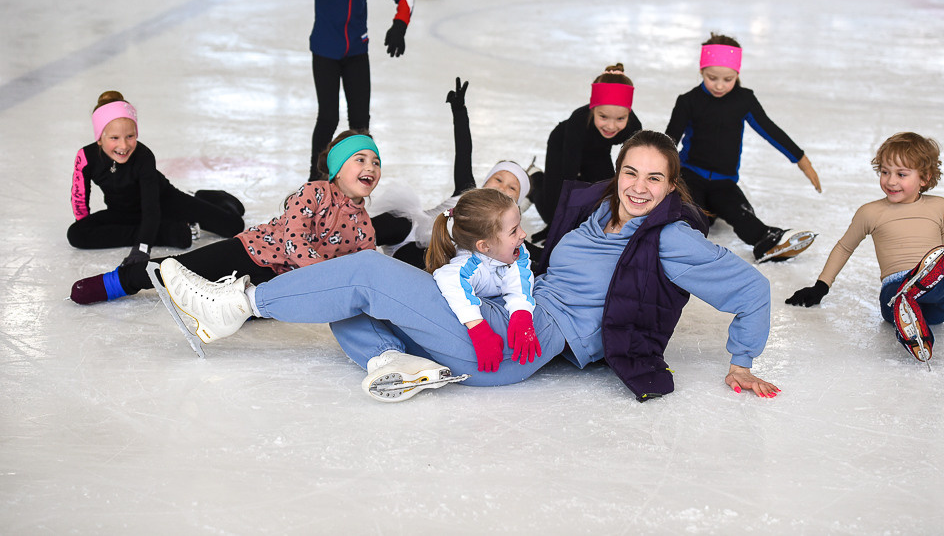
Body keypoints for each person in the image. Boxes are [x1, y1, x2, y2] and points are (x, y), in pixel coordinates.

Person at [156, 130, 780, 404]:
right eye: (630, 173)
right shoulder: (599, 215)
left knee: (370, 274)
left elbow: (752, 290)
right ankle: (392, 362)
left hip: (517, 345)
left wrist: (742, 361)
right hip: (503, 312)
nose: (639, 188)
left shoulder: (669, 239)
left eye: (654, 178)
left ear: (671, 185)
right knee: (352, 301)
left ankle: (230, 306)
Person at [70, 131, 380, 305]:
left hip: (279, 282)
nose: (371, 166)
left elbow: (368, 268)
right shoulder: (313, 193)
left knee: (229, 306)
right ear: (338, 167)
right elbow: (293, 239)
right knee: (180, 271)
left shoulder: (365, 227)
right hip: (251, 251)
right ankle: (121, 281)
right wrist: (326, 276)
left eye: (376, 162)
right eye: (361, 159)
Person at [786, 132, 944, 364]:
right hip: (893, 287)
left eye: (901, 174)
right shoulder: (871, 212)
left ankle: (913, 298)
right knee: (893, 298)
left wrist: (937, 273)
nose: (890, 181)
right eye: (885, 172)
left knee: (943, 282)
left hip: (935, 289)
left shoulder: (940, 206)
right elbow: (845, 247)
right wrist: (821, 286)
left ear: (924, 178)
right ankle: (911, 318)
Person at [665, 33, 820, 263]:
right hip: (690, 176)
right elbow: (669, 141)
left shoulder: (743, 100)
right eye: (712, 77)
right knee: (690, 215)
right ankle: (683, 239)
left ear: (737, 74)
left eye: (727, 79)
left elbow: (770, 130)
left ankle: (767, 241)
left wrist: (801, 160)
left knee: (741, 213)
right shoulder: (688, 101)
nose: (719, 85)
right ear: (701, 71)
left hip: (724, 182)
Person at [295, 0, 412, 181]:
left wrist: (399, 25)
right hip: (325, 51)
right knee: (328, 118)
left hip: (357, 52)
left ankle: (360, 177)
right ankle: (316, 180)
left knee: (360, 121)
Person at [368, 77, 532, 269]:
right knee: (396, 221)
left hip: (427, 254)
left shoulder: (506, 231)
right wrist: (459, 112)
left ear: (518, 203)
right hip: (410, 227)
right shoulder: (467, 191)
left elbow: (530, 251)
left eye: (512, 187)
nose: (503, 188)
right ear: (485, 183)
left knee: (438, 262)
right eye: (498, 179)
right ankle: (339, 240)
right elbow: (463, 151)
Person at [68, 91, 245, 265]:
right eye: (114, 138)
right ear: (99, 138)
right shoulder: (86, 157)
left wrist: (142, 247)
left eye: (130, 136)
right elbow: (79, 197)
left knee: (233, 227)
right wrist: (87, 227)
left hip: (165, 203)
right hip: (122, 212)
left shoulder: (143, 156)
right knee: (76, 234)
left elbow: (151, 208)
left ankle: (208, 197)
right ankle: (167, 232)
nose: (123, 145)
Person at [426, 187, 540, 372]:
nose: (523, 234)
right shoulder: (469, 265)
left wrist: (522, 313)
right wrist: (478, 329)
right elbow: (448, 278)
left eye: (520, 225)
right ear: (485, 246)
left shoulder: (516, 252)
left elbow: (520, 279)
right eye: (513, 231)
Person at [528, 63, 642, 238]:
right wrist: (556, 224)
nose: (611, 126)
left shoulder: (633, 127)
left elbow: (634, 167)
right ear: (593, 108)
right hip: (563, 148)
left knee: (606, 198)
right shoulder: (578, 121)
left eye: (620, 118)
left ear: (628, 113)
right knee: (551, 212)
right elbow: (569, 178)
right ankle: (536, 179)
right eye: (603, 116)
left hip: (598, 152)